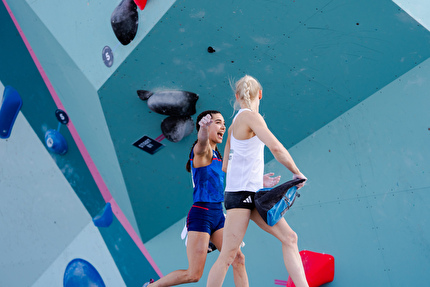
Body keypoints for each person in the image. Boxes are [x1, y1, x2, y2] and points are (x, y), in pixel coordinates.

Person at [206, 75, 309, 287]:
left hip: (249, 194)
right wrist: (296, 172)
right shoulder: (252, 118)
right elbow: (276, 147)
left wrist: (256, 178)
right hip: (242, 197)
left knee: (290, 238)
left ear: (237, 96)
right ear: (260, 94)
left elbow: (226, 166)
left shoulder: (234, 125)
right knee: (227, 257)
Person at [144, 110, 251, 287]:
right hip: (201, 215)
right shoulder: (202, 154)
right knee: (193, 275)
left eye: (223, 123)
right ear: (206, 126)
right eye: (218, 122)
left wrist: (259, 181)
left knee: (238, 258)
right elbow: (202, 143)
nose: (223, 126)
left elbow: (236, 176)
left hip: (218, 215)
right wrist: (202, 129)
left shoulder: (218, 157)